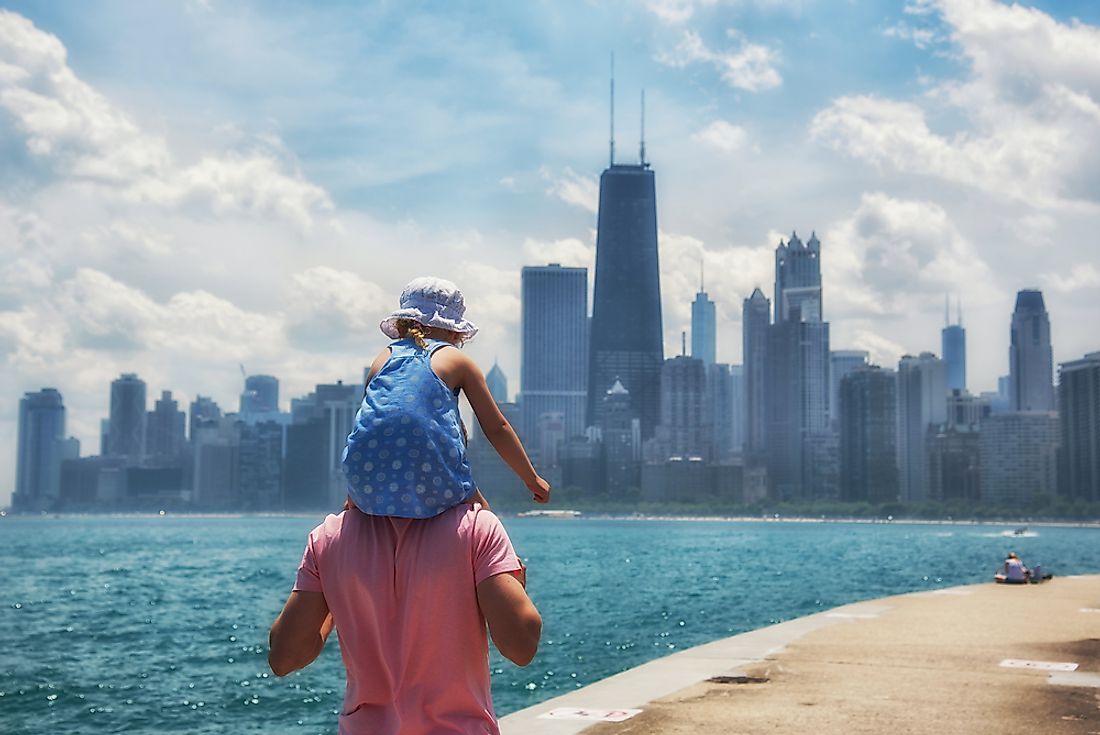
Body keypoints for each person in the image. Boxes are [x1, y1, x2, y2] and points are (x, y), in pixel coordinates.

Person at [341, 276, 550, 517]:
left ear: (402, 323)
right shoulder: (457, 359)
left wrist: (354, 494)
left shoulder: (382, 358)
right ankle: (507, 557)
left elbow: (371, 423)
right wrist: (532, 479)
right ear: (454, 330)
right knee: (482, 517)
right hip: (434, 475)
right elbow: (496, 427)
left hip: (363, 476)